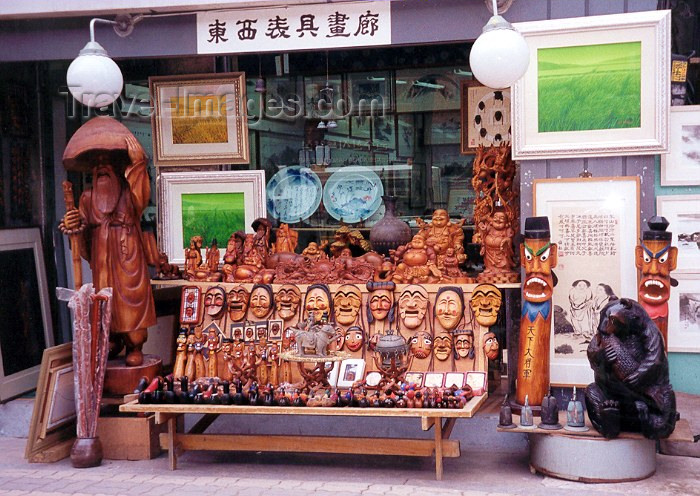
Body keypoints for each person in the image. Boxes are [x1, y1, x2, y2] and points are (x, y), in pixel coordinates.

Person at [60, 118, 155, 367]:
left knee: (132, 302)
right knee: (104, 303)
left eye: (107, 163)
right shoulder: (87, 198)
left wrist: (138, 164)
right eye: (97, 164)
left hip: (127, 255)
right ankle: (112, 340)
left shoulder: (128, 193)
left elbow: (142, 196)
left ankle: (135, 344)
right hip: (101, 260)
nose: (102, 168)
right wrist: (74, 226)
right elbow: (79, 236)